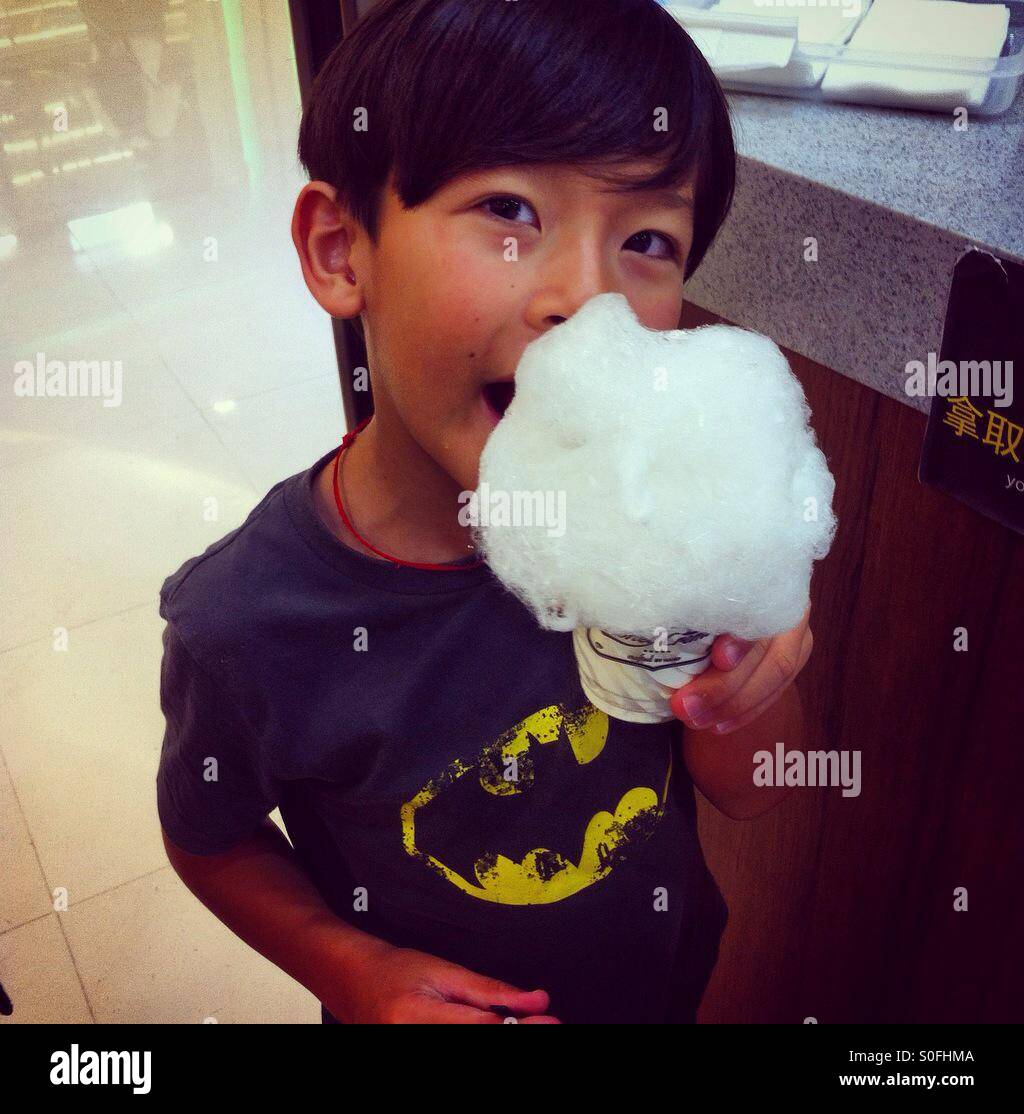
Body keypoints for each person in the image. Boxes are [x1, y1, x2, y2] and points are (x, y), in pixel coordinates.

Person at [156, 0, 811, 1025]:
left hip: (663, 982)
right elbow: (210, 837)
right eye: (509, 212)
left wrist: (749, 675)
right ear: (341, 249)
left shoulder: (652, 526)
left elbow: (752, 788)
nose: (586, 301)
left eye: (646, 237)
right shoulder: (249, 622)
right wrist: (345, 966)